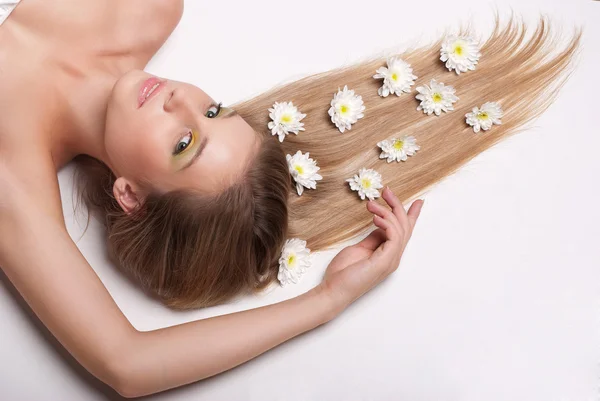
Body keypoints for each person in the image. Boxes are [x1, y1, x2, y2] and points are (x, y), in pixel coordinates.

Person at [0, 0, 579, 397]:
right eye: (214, 111)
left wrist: (326, 302)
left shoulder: (12, 176)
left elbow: (127, 364)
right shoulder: (149, 8)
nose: (178, 100)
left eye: (183, 144)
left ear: (130, 195)